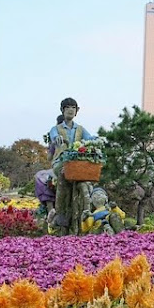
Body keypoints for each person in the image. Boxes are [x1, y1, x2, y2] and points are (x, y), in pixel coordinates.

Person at [50, 97, 95, 234]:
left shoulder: (80, 129)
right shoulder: (56, 128)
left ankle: (85, 214)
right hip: (61, 162)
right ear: (62, 110)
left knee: (86, 180)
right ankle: (60, 214)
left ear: (77, 111)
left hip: (77, 163)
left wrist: (98, 141)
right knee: (63, 174)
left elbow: (90, 139)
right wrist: (57, 139)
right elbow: (54, 137)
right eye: (67, 107)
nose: (70, 110)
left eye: (73, 108)